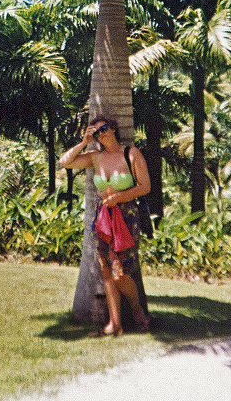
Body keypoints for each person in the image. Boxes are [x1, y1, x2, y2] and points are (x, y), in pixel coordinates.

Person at [60, 116, 151, 336]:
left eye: (103, 129)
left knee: (121, 272)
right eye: (96, 131)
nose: (101, 134)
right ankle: (114, 323)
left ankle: (138, 312)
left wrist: (119, 197)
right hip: (103, 216)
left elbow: (145, 186)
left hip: (126, 214)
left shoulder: (131, 154)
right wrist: (84, 142)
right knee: (106, 270)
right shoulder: (95, 157)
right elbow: (65, 162)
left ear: (114, 129)